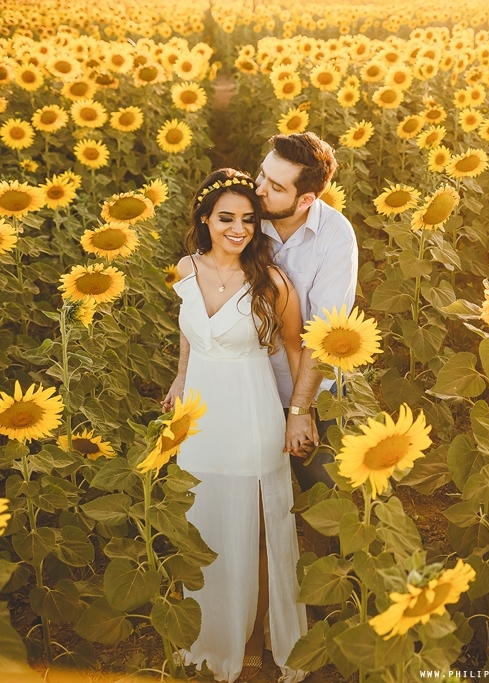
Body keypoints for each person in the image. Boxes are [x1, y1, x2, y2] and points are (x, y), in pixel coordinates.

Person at [163, 169, 308, 683]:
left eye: (248, 219)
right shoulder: (186, 267)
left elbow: (297, 348)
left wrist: (300, 412)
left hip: (250, 410)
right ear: (205, 219)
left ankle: (265, 634)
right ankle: (213, 637)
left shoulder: (269, 280)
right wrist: (180, 380)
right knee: (204, 519)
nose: (239, 228)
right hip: (199, 413)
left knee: (260, 522)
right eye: (227, 218)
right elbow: (188, 334)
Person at [254, 132, 358, 554]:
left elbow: (323, 336)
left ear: (305, 200)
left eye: (276, 186)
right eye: (262, 175)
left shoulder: (335, 237)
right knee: (254, 504)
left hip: (310, 385)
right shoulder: (244, 213)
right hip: (250, 381)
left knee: (323, 497)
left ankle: (328, 600)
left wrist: (300, 410)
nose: (259, 189)